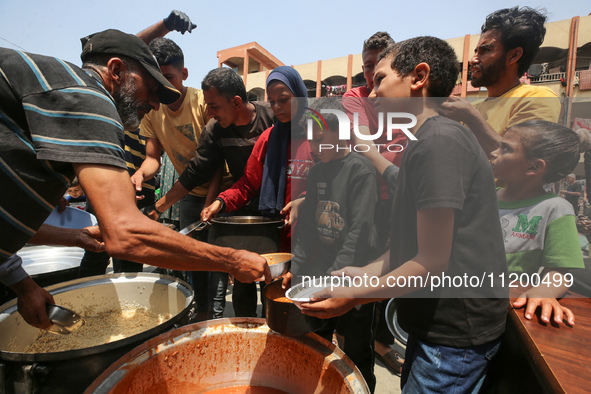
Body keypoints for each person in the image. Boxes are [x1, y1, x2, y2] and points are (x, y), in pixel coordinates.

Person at [0, 29, 269, 330]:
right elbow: (125, 235)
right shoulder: (88, 97)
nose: (155, 105)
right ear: (116, 71)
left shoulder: (62, 90)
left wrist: (31, 272)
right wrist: (231, 261)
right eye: (151, 89)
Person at [299, 37, 509, 393]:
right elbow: (409, 246)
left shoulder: (439, 142)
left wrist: (355, 296)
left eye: (379, 79)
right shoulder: (422, 141)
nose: (372, 90)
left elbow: (430, 261)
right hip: (432, 326)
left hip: (454, 335)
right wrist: (362, 273)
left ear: (419, 76)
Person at [149, 67, 276, 318]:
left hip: (275, 211)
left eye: (214, 106)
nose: (210, 113)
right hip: (240, 209)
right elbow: (196, 172)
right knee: (244, 280)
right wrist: (159, 207)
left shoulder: (273, 120)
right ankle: (244, 330)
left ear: (237, 102)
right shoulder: (215, 129)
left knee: (273, 280)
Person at [287, 98, 379, 391]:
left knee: (357, 349)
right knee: (317, 339)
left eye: (318, 138)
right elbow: (308, 232)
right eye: (309, 139)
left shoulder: (361, 172)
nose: (312, 146)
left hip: (355, 276)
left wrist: (335, 279)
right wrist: (296, 270)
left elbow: (359, 232)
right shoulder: (316, 173)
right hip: (323, 272)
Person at [342, 30, 405, 375]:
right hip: (373, 198)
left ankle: (383, 343)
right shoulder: (356, 96)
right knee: (367, 279)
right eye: (367, 67)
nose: (371, 76)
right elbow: (364, 141)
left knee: (395, 273)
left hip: (403, 198)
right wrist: (396, 175)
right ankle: (363, 357)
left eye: (379, 67)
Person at [491, 120, 588, 326]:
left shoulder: (555, 208)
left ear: (534, 166)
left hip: (503, 310)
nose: (493, 153)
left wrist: (544, 291)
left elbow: (560, 272)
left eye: (505, 148)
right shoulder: (484, 197)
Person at [440, 6, 561, 156]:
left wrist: (471, 118)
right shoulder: (473, 108)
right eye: (476, 51)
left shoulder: (537, 98)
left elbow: (519, 161)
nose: (473, 60)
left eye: (486, 50)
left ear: (514, 55)